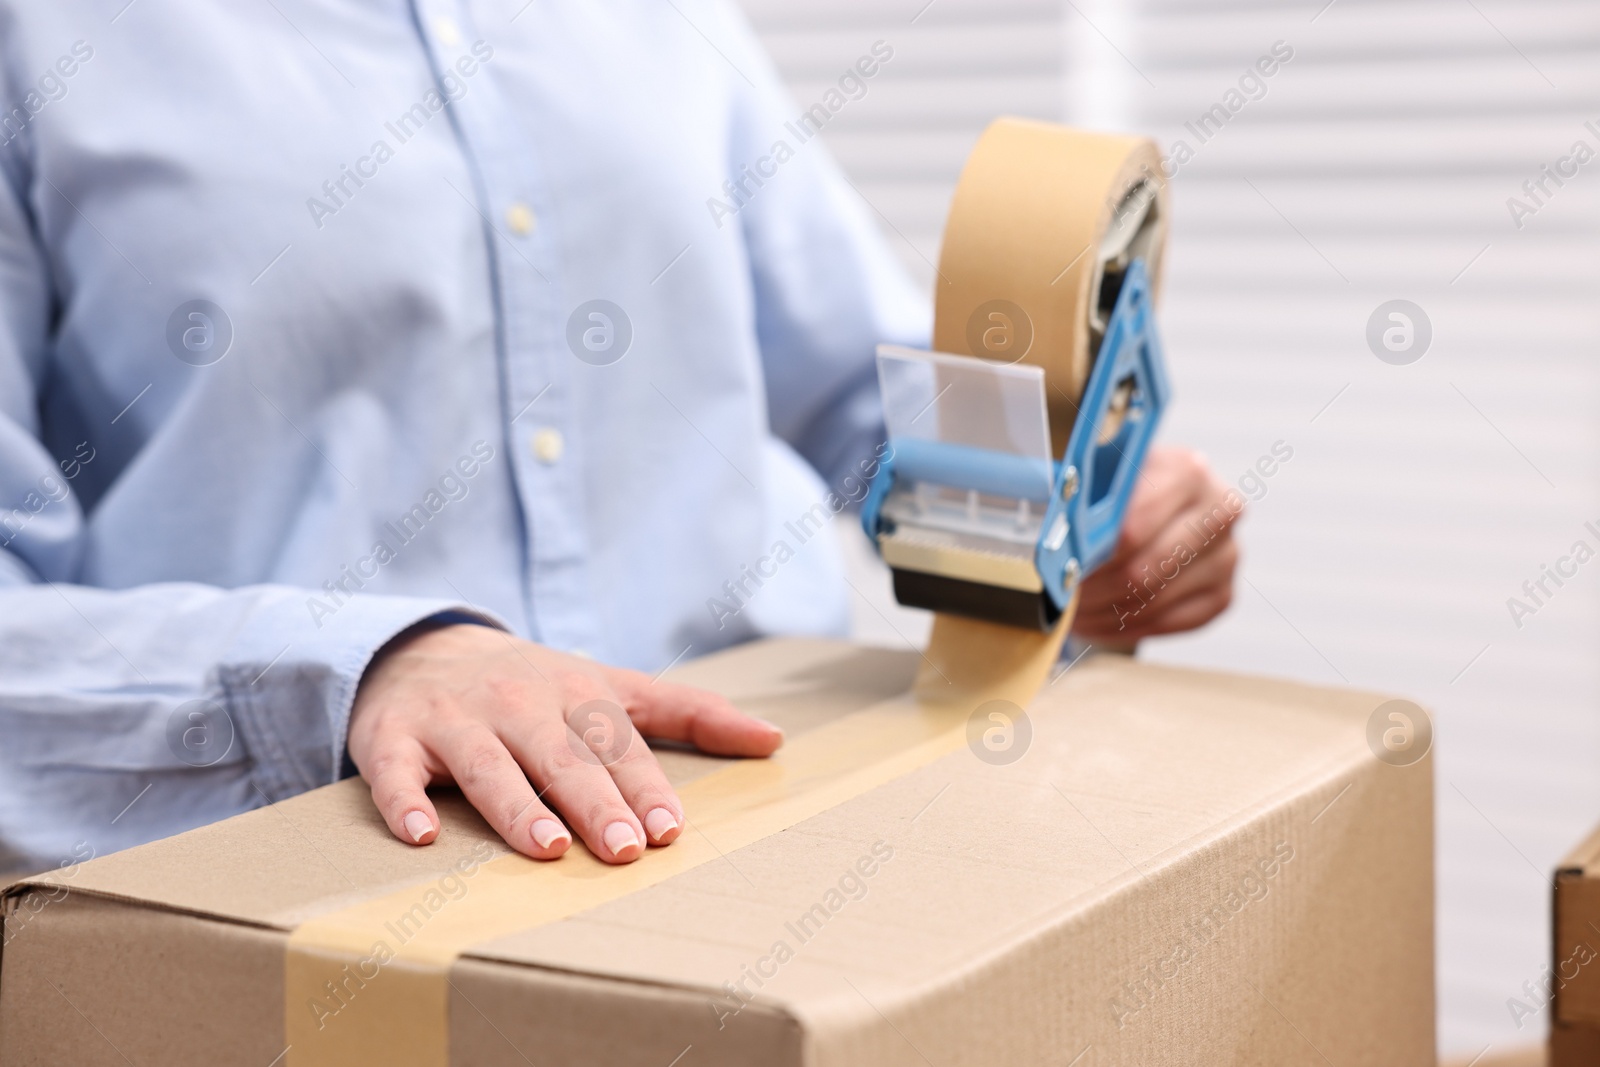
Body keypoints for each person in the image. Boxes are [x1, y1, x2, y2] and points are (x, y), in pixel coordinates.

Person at [0, 2, 1239, 876]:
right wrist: (362, 663)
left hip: (761, 831)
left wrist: (1062, 531)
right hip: (305, 891)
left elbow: (871, 411)